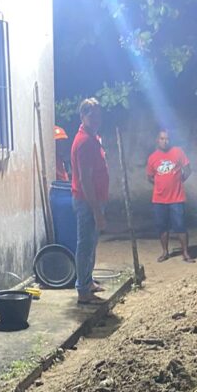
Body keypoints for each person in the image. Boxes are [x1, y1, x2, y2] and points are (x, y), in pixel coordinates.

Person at [70, 98, 109, 305]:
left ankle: (88, 281)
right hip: (87, 201)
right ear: (83, 116)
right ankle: (83, 290)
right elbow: (85, 180)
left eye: (99, 115)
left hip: (94, 199)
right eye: (92, 116)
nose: (97, 119)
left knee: (91, 243)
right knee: (85, 245)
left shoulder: (93, 137)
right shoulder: (84, 142)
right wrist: (97, 211)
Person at [146, 129, 193, 263]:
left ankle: (185, 252)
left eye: (167, 139)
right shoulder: (152, 157)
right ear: (157, 140)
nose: (165, 141)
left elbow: (188, 170)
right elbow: (150, 177)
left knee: (180, 226)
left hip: (177, 198)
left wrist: (180, 180)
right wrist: (160, 184)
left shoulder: (178, 152)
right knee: (162, 226)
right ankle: (165, 252)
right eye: (162, 138)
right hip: (159, 199)